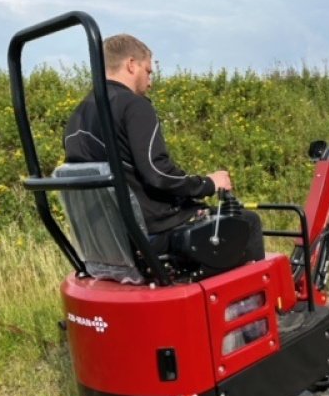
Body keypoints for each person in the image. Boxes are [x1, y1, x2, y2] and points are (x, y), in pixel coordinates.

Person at [63, 33, 264, 265]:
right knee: (246, 222)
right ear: (131, 65)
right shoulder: (134, 106)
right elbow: (158, 174)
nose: (150, 81)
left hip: (106, 238)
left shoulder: (77, 116)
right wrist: (209, 183)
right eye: (148, 71)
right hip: (149, 232)